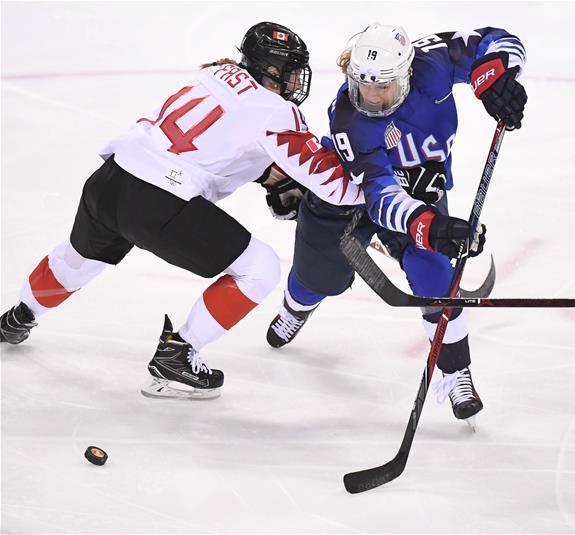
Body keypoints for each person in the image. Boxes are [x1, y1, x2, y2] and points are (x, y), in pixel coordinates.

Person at [0, 22, 361, 400]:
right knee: (260, 268)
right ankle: (179, 355)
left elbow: (221, 143)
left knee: (80, 258)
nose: (293, 81)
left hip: (110, 179)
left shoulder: (215, 74)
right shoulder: (277, 112)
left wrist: (271, 179)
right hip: (159, 201)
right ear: (270, 70)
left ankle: (19, 315)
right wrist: (383, 190)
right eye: (289, 70)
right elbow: (333, 186)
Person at [264, 23, 527, 422]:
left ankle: (457, 372)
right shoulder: (349, 118)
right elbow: (379, 196)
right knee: (319, 275)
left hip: (420, 191)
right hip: (347, 192)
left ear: (406, 74)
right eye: (363, 85)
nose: (370, 96)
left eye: (382, 85)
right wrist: (432, 225)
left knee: (435, 274)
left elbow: (494, 40)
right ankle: (297, 307)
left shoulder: (432, 64)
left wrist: (493, 75)